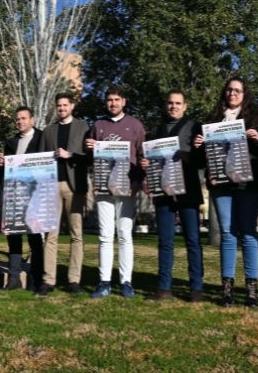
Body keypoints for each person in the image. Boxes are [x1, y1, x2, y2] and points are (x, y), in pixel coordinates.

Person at [194, 76, 258, 308]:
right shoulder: (211, 121)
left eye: (237, 90)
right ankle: (227, 290)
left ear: (244, 94)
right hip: (221, 184)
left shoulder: (256, 119)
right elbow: (200, 162)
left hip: (249, 184)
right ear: (224, 93)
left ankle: (251, 291)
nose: (232, 94)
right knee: (227, 234)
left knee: (247, 233)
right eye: (229, 90)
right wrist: (198, 146)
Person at [141, 90, 204, 302]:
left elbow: (203, 160)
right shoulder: (157, 129)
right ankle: (164, 287)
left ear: (185, 106)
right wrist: (146, 164)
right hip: (164, 192)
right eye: (170, 103)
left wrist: (193, 154)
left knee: (193, 241)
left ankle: (196, 289)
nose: (174, 106)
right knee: (165, 241)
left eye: (178, 103)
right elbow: (151, 158)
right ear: (165, 105)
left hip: (188, 191)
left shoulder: (195, 127)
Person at [85, 86, 145, 299]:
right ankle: (104, 282)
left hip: (126, 188)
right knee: (105, 236)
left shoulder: (135, 125)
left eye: (116, 99)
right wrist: (89, 146)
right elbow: (89, 154)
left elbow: (141, 156)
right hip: (103, 188)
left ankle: (126, 281)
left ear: (124, 101)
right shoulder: (98, 125)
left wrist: (137, 184)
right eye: (109, 100)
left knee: (125, 236)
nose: (113, 103)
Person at [38, 92, 90, 296]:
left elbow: (88, 158)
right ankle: (48, 280)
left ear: (72, 106)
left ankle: (74, 280)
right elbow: (41, 159)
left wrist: (70, 156)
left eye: (65, 105)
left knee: (76, 235)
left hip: (73, 186)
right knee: (51, 236)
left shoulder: (83, 127)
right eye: (58, 105)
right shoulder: (48, 131)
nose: (61, 108)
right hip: (51, 186)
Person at [0, 106, 44, 291]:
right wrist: (2, 164)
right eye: (17, 119)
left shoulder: (43, 138)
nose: (20, 122)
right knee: (14, 237)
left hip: (35, 194)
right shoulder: (10, 143)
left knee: (35, 238)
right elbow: (8, 171)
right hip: (14, 194)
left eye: (24, 118)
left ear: (31, 120)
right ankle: (14, 277)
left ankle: (37, 279)